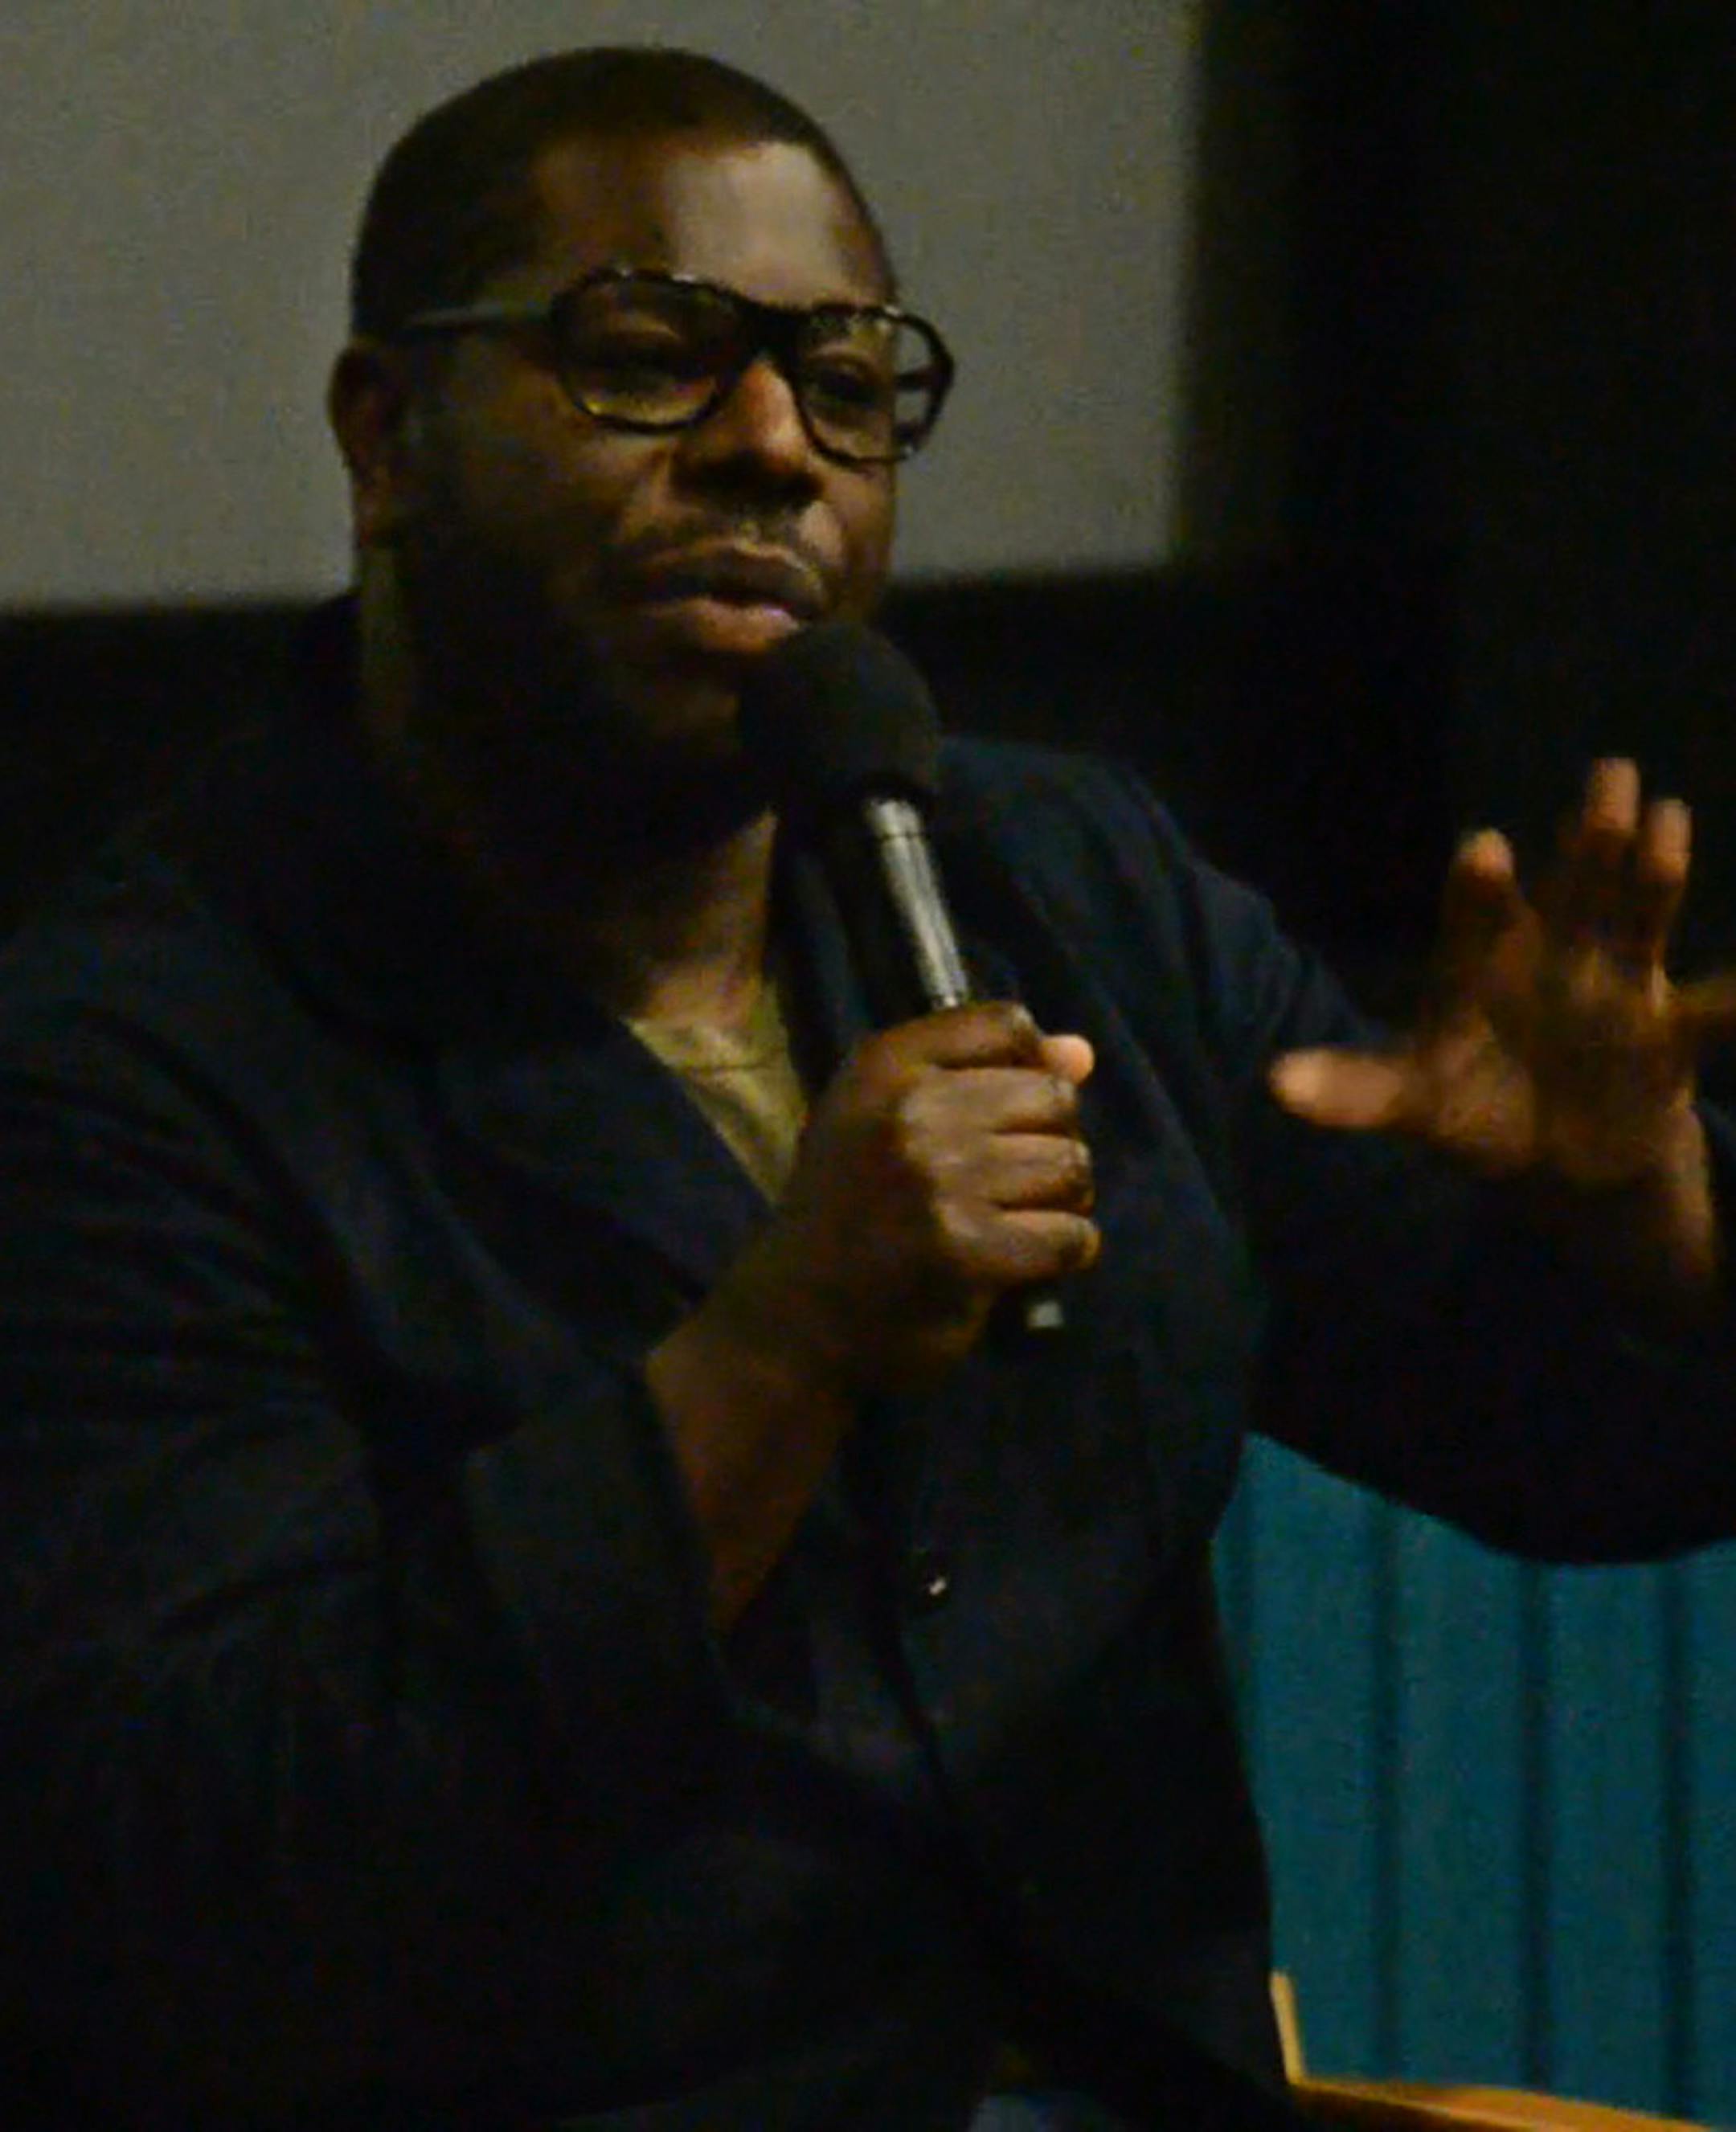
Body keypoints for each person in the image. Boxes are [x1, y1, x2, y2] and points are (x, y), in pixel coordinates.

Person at [1, 45, 1734, 2132]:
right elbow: (194, 1897)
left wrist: (1655, 1234)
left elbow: (1588, 1459)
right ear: (389, 439)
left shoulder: (1064, 889)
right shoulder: (135, 1057)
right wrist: (777, 1347)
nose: (770, 447)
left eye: (844, 383)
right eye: (646, 355)